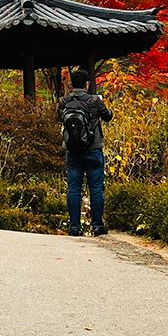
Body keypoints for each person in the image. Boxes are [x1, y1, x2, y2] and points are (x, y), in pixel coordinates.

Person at [57, 68, 113, 236]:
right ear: (87, 84)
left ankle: (74, 227)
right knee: (96, 188)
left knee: (74, 189)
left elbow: (60, 119)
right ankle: (97, 226)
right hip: (93, 149)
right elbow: (108, 116)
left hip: (72, 151)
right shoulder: (95, 101)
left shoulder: (63, 102)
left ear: (71, 84)